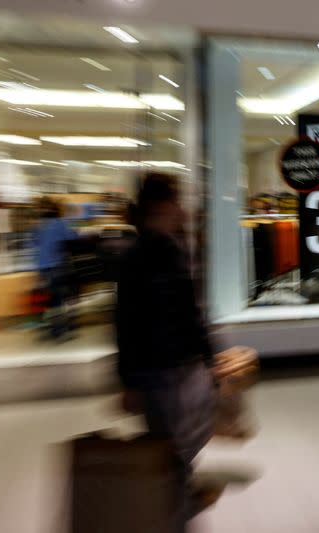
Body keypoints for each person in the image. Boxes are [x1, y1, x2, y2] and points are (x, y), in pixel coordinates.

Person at [115, 173, 218, 530]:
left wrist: (127, 380)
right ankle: (173, 511)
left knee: (173, 443)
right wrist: (209, 356)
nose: (181, 208)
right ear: (160, 206)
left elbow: (187, 314)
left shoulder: (154, 251)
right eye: (176, 200)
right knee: (172, 448)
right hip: (165, 370)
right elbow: (184, 313)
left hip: (165, 368)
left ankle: (177, 502)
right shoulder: (155, 254)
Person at [34, 197, 76, 340]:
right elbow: (72, 237)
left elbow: (35, 243)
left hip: (41, 268)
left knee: (51, 299)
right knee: (59, 299)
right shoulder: (59, 224)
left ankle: (52, 328)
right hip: (56, 266)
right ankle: (59, 331)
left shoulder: (38, 225)